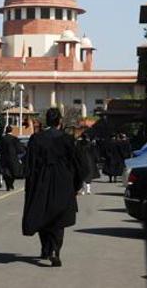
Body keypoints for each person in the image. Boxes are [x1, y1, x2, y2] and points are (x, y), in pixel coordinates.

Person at [22, 108, 88, 267]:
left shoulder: (36, 139)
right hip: (62, 181)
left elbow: (29, 164)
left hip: (41, 181)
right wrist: (77, 184)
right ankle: (55, 250)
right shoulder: (67, 139)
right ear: (59, 121)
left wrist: (30, 184)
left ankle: (46, 248)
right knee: (59, 219)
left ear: (47, 121)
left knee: (43, 215)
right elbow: (78, 164)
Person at [0, 125, 22, 191]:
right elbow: (19, 149)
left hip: (4, 158)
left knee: (6, 173)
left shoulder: (2, 139)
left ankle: (8, 185)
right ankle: (11, 184)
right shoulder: (14, 138)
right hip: (13, 158)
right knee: (13, 172)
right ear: (11, 130)